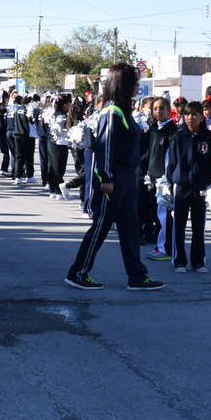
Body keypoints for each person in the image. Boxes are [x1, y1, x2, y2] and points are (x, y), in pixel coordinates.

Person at [64, 63, 165, 291]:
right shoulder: (112, 112)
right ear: (124, 84)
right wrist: (107, 178)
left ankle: (137, 276)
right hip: (115, 179)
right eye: (134, 82)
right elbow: (105, 146)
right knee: (101, 226)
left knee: (130, 228)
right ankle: (78, 272)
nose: (137, 86)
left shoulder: (123, 110)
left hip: (128, 177)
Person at [167, 101, 211, 273]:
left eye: (195, 114)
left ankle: (198, 261)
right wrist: (168, 183)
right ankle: (179, 261)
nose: (191, 118)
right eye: (187, 114)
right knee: (179, 225)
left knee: (198, 226)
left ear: (202, 117)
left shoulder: (208, 137)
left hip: (200, 187)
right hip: (181, 186)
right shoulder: (178, 136)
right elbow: (171, 162)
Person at [143, 97, 178, 260]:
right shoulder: (153, 129)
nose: (158, 111)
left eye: (162, 108)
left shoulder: (172, 131)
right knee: (156, 214)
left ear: (169, 110)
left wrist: (168, 179)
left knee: (164, 215)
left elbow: (172, 158)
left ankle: (165, 249)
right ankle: (160, 245)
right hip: (152, 177)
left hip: (164, 180)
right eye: (155, 108)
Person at [44, 94, 74, 200]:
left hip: (51, 142)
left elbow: (45, 126)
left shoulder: (52, 114)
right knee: (59, 168)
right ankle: (59, 191)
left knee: (52, 167)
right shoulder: (65, 116)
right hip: (60, 143)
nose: (70, 105)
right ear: (65, 105)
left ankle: (52, 190)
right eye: (69, 103)